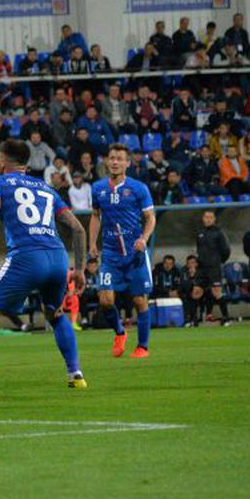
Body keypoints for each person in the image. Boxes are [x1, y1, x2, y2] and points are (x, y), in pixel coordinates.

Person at [0, 138, 88, 395]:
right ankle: (76, 373)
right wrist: (79, 269)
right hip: (58, 258)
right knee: (56, 314)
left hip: (26, 257)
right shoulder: (47, 189)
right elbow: (78, 229)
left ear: (2, 161)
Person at [89, 143, 156, 359]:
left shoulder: (139, 188)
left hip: (134, 255)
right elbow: (95, 216)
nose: (115, 162)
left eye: (120, 158)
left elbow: (150, 218)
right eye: (112, 158)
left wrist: (144, 239)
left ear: (128, 163)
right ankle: (120, 332)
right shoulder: (97, 188)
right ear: (107, 161)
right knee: (105, 300)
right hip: (110, 254)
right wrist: (92, 243)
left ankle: (142, 347)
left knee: (139, 301)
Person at [195, 210, 232, 326]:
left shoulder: (219, 232)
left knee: (217, 292)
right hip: (202, 268)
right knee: (196, 291)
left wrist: (218, 262)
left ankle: (226, 318)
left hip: (214, 268)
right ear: (203, 218)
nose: (208, 219)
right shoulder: (200, 233)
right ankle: (192, 319)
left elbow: (226, 250)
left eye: (210, 217)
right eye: (206, 217)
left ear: (214, 219)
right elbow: (198, 249)